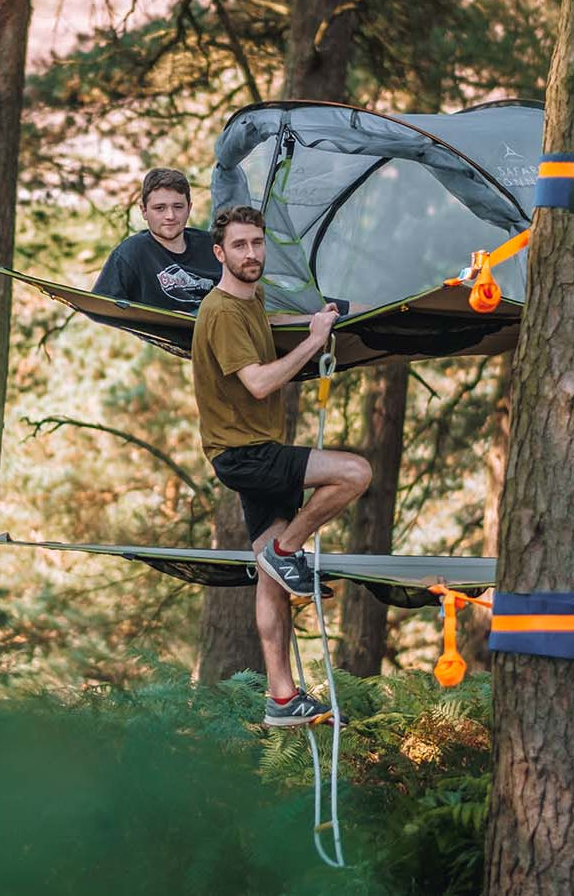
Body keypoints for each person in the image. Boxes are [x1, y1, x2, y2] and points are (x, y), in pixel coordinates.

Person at [191, 204, 372, 727]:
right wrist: (314, 343)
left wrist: (321, 321)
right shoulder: (221, 310)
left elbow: (268, 329)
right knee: (355, 473)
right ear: (220, 254)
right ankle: (286, 548)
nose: (251, 254)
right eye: (240, 246)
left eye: (257, 243)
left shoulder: (251, 300)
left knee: (270, 582)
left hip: (253, 449)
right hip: (245, 454)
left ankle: (281, 698)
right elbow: (260, 383)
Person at [92, 168, 222, 312]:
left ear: (189, 208)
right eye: (160, 208)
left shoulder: (212, 245)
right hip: (165, 333)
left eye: (178, 207)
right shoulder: (131, 253)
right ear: (144, 211)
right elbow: (100, 310)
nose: (170, 216)